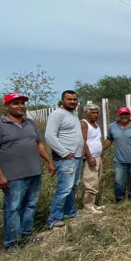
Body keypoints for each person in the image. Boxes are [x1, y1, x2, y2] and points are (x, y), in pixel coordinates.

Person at [0, 92, 56, 249]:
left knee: (30, 205)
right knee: (13, 208)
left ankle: (26, 236)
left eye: (22, 103)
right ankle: (12, 242)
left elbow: (39, 144)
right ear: (6, 106)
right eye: (16, 103)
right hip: (13, 176)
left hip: (34, 172)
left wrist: (49, 162)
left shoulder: (30, 123)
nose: (21, 106)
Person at [45, 90, 84, 229]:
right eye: (69, 99)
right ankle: (54, 218)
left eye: (75, 99)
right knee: (64, 188)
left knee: (73, 186)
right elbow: (49, 136)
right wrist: (64, 153)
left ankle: (70, 212)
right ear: (62, 100)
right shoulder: (57, 114)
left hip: (77, 157)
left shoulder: (73, 114)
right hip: (66, 158)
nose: (73, 101)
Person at [103, 107, 131, 202]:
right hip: (119, 160)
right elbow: (109, 140)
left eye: (126, 114)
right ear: (119, 115)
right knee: (119, 181)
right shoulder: (112, 126)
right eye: (122, 114)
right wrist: (101, 150)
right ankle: (119, 199)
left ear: (130, 115)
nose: (124, 116)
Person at [80, 103, 105, 213]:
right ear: (87, 113)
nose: (95, 115)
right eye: (93, 113)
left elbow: (97, 142)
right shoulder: (84, 124)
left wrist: (101, 156)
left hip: (97, 156)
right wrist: (89, 156)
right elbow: (83, 141)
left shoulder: (96, 125)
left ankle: (92, 204)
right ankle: (88, 206)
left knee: (96, 181)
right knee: (90, 182)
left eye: (97, 112)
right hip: (90, 158)